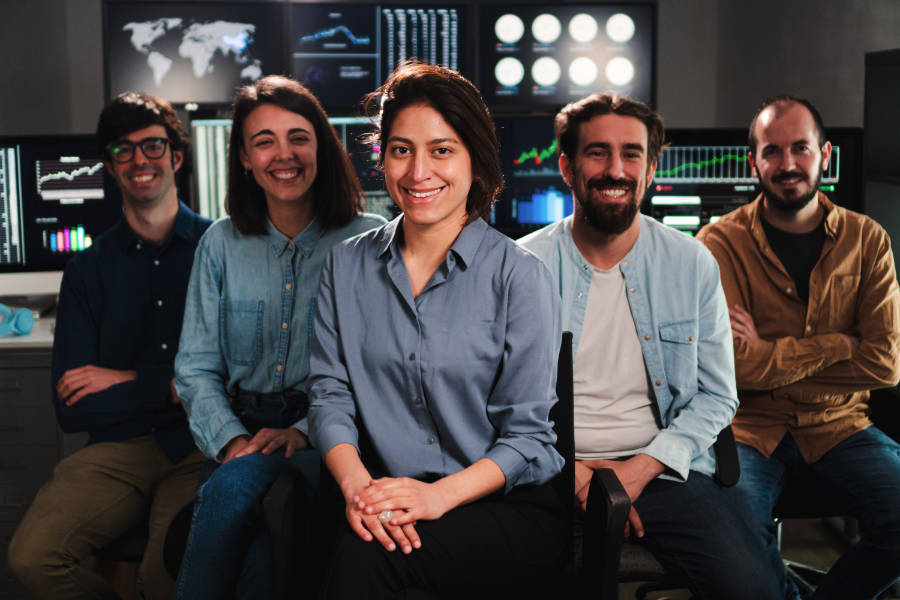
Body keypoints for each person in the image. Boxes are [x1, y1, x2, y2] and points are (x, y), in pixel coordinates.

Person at [308, 63, 565, 599]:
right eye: (401, 149)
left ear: (476, 159)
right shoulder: (344, 267)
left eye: (442, 150)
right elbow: (329, 396)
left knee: (367, 560)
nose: (418, 171)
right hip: (384, 493)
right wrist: (358, 489)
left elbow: (529, 438)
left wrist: (437, 498)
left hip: (500, 505)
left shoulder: (520, 277)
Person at [519, 92, 779, 598]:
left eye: (631, 154)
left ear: (651, 168)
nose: (615, 169)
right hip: (547, 472)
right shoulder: (521, 266)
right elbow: (497, 400)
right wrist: (572, 475)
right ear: (567, 167)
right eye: (597, 153)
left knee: (754, 589)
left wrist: (638, 472)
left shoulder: (692, 263)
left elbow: (717, 396)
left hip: (663, 473)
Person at [172, 74, 384, 599]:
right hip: (239, 427)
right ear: (244, 158)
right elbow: (195, 368)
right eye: (263, 141)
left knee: (236, 492)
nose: (282, 155)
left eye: (298, 137)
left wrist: (306, 431)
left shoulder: (367, 241)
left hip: (328, 434)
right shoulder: (219, 244)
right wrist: (235, 441)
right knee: (259, 573)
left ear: (323, 148)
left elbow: (376, 369)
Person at [7, 92, 210, 600]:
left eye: (153, 146)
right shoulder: (86, 270)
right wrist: (172, 386)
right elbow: (72, 405)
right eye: (124, 150)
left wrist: (126, 380)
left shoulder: (220, 249)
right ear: (109, 166)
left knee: (163, 577)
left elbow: (232, 378)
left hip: (202, 442)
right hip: (120, 451)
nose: (140, 160)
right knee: (32, 559)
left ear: (177, 156)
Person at [697, 95, 900, 599]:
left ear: (825, 155)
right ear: (754, 161)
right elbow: (733, 366)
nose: (787, 164)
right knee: (734, 549)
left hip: (840, 424)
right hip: (747, 428)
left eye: (801, 149)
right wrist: (838, 344)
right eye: (772, 151)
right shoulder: (717, 243)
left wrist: (769, 353)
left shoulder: (867, 240)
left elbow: (885, 363)